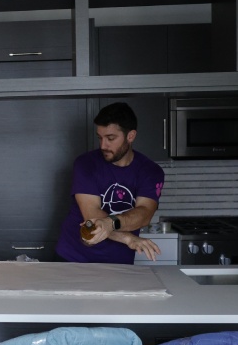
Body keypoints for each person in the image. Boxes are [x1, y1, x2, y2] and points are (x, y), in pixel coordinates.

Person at [55, 102, 165, 264]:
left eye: (110, 138)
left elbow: (144, 214)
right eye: (100, 137)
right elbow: (91, 216)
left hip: (119, 262)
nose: (103, 145)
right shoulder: (86, 164)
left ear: (131, 136)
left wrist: (110, 223)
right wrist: (128, 238)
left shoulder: (150, 171)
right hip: (73, 258)